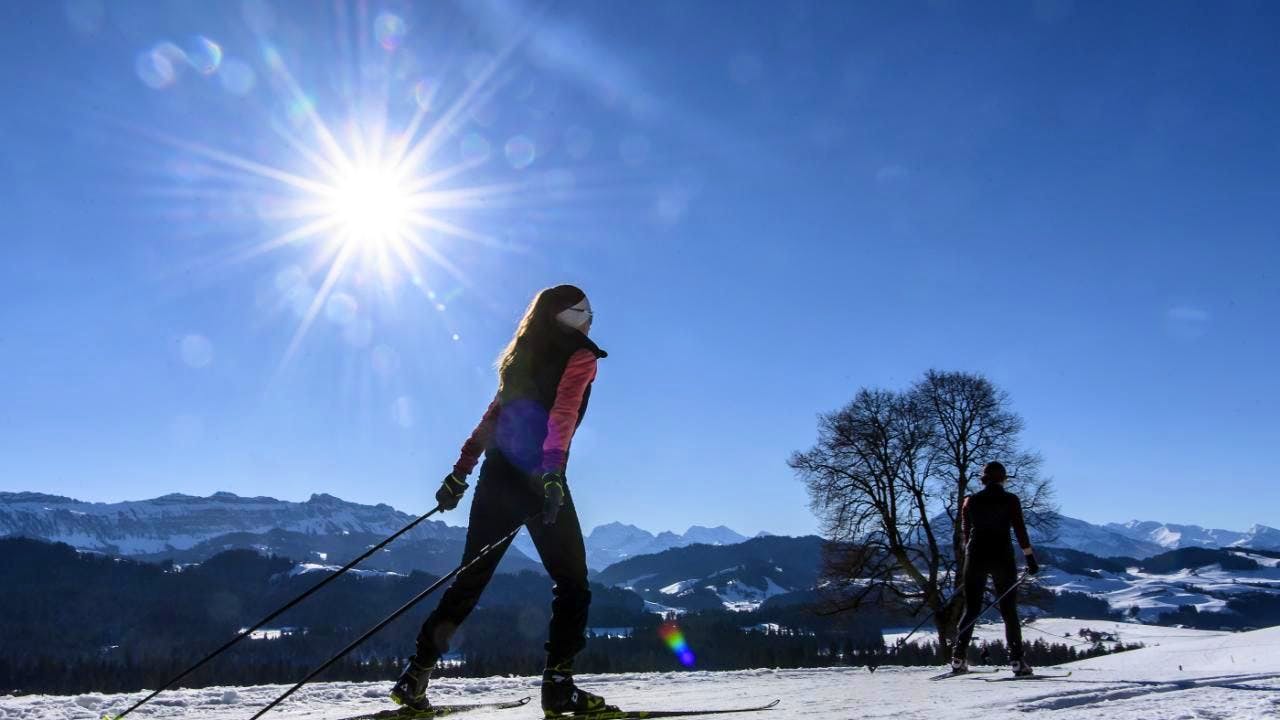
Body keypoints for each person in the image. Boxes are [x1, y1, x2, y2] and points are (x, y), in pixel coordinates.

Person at [391, 284, 614, 716]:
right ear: (571, 317)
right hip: (538, 477)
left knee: (469, 580)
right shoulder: (580, 355)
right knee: (572, 583)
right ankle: (559, 687)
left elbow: (494, 416)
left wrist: (461, 471)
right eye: (588, 312)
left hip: (497, 475)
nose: (591, 319)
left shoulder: (521, 354)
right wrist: (551, 475)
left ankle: (415, 675)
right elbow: (562, 415)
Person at [950, 461, 1040, 676]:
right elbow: (1019, 530)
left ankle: (958, 657)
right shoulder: (1010, 500)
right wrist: (1029, 557)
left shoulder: (969, 501)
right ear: (1003, 478)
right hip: (1002, 556)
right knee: (1009, 610)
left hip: (976, 556)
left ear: (984, 479)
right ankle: (1017, 661)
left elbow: (966, 533)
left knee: (971, 608)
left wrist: (968, 563)